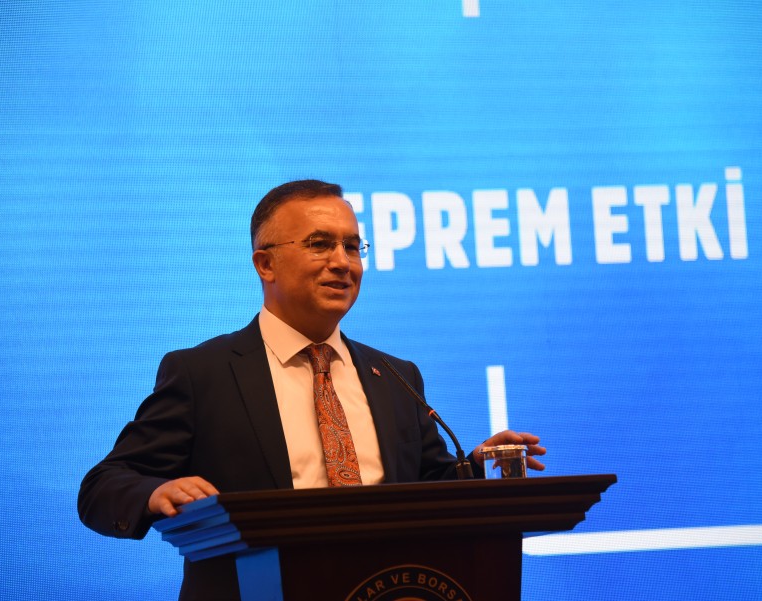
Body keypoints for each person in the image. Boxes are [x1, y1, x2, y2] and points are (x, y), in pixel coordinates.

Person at [77, 179, 546, 600]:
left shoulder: (395, 375)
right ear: (265, 264)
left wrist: (474, 468)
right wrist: (156, 491)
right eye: (320, 244)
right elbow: (104, 485)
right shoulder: (203, 373)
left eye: (352, 247)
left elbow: (424, 491)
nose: (342, 262)